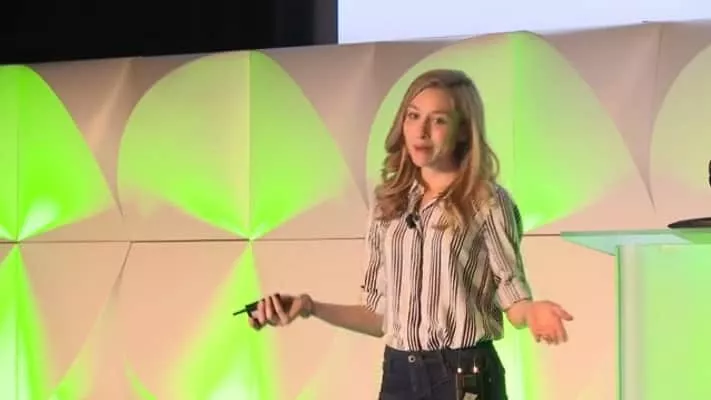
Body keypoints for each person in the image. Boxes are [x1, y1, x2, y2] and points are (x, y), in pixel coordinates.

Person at [248, 69, 574, 399]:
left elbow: (512, 297)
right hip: (399, 374)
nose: (421, 131)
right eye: (413, 116)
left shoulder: (487, 201)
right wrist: (308, 306)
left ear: (463, 130)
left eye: (438, 120)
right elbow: (377, 316)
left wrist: (533, 312)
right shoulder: (388, 204)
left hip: (464, 376)